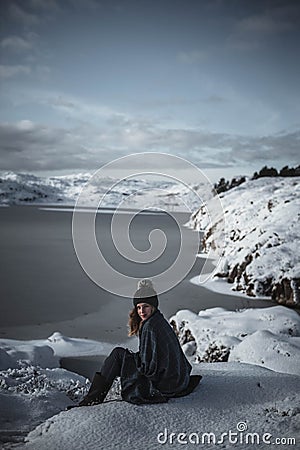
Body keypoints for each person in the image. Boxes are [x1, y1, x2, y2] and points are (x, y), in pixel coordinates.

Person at [70, 279, 201, 407]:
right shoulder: (158, 320)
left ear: (153, 307)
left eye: (146, 307)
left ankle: (92, 400)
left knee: (117, 355)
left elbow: (149, 368)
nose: (141, 311)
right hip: (176, 379)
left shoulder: (151, 327)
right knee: (120, 355)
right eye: (138, 307)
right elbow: (154, 357)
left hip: (166, 384)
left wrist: (129, 363)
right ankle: (93, 398)